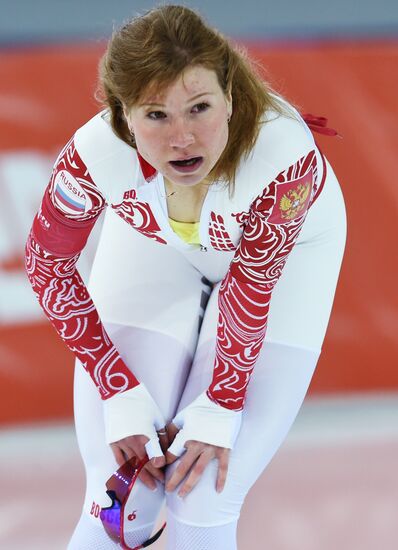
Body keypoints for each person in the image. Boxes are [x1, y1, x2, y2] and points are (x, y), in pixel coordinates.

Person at [25, 4, 347, 549]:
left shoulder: (282, 154)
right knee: (124, 489)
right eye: (156, 115)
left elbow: (253, 285)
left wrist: (222, 404)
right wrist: (117, 387)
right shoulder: (96, 155)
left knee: (204, 493)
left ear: (231, 96)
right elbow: (47, 263)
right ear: (122, 115)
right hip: (155, 248)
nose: (183, 139)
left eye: (199, 108)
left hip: (288, 264)